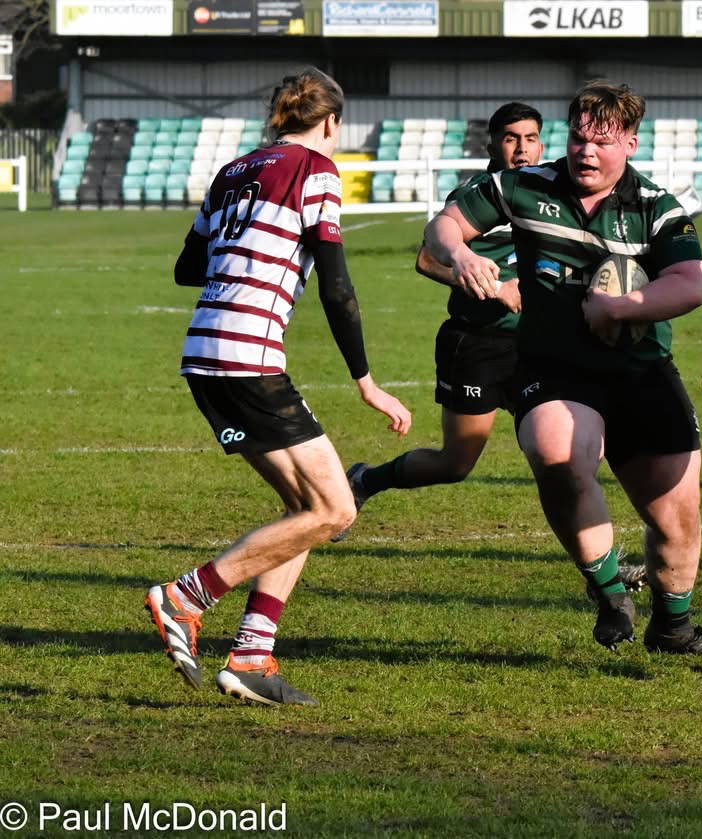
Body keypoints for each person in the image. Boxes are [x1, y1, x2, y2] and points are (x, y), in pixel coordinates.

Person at [423, 80, 702, 655]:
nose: (587, 152)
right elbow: (445, 224)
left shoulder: (657, 207)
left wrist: (620, 308)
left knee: (676, 518)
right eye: (579, 139)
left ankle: (674, 626)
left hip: (640, 369)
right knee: (556, 449)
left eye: (602, 142)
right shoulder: (524, 185)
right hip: (555, 366)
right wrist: (459, 252)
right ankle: (610, 593)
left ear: (630, 143)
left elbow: (690, 285)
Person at [145, 68, 412, 706]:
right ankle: (186, 597)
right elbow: (337, 286)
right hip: (248, 356)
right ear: (332, 122)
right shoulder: (316, 169)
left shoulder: (233, 170)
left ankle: (250, 658)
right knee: (336, 509)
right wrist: (367, 383)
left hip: (204, 352)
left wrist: (242, 250)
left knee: (306, 512)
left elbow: (187, 266)